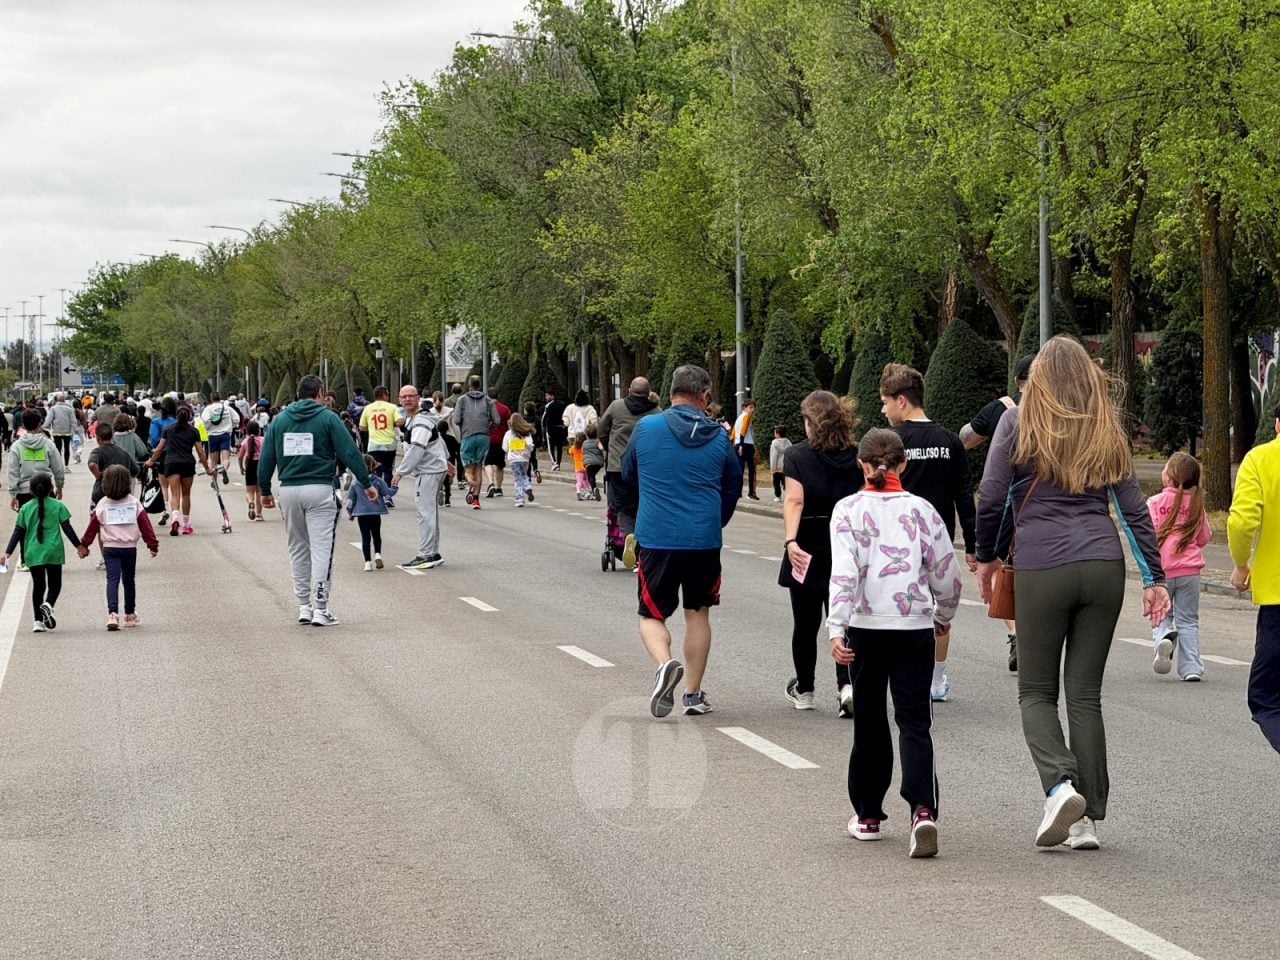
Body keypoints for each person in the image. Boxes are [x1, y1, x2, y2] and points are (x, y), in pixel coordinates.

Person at [975, 336, 1169, 850]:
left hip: (1043, 565)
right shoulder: (1105, 425)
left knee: (1036, 692)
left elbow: (992, 496)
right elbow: (1133, 510)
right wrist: (1155, 579)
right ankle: (1088, 820)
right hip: (1103, 566)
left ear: (1037, 376)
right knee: (1085, 695)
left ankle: (1060, 785)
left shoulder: (1017, 422)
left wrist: (987, 557)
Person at [828, 428, 961, 857]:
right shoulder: (922, 510)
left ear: (861, 464)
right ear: (904, 464)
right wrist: (943, 614)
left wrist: (836, 627)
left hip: (865, 625)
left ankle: (867, 813)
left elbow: (845, 572)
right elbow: (946, 571)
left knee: (868, 720)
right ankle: (923, 809)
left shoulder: (847, 510)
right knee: (915, 721)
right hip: (913, 626)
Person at [620, 364, 741, 718]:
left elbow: (628, 473)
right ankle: (693, 693)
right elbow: (732, 488)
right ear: (704, 396)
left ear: (671, 392)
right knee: (698, 612)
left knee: (651, 614)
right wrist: (714, 522)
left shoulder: (647, 428)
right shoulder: (719, 437)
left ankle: (664, 664)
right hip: (704, 539)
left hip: (657, 536)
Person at [879, 363, 976, 702]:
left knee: (900, 608)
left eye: (886, 402)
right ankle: (936, 678)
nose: (883, 409)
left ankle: (905, 674)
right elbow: (963, 495)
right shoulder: (950, 441)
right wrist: (974, 546)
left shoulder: (892, 442)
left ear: (901, 401)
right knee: (938, 609)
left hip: (896, 542)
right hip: (940, 540)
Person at [258, 375, 377, 626]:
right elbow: (349, 452)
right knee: (322, 549)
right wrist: (365, 483)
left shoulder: (279, 420)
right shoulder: (328, 418)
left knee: (297, 548)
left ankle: (303, 606)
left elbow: (267, 455)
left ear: (298, 393)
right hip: (320, 488)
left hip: (289, 490)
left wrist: (264, 489)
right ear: (320, 393)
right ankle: (321, 609)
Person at [780, 391, 862, 717]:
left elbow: (794, 500)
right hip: (846, 542)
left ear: (811, 422)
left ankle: (805, 688)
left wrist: (790, 541)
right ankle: (846, 686)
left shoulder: (797, 456)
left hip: (809, 542)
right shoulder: (856, 456)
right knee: (844, 620)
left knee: (805, 623)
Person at [961, 355, 1033, 669]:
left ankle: (1016, 633)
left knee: (998, 571)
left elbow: (965, 439)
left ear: (1017, 380)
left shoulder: (1000, 410)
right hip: (1044, 510)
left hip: (1005, 506)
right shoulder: (1067, 413)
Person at [1228, 405, 1280, 754]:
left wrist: (1241, 563)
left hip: (1277, 595)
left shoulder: (1261, 459)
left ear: (1277, 424)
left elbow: (1241, 521)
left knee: (1266, 696)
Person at [1147, 452, 1211, 680]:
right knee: (1189, 620)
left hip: (1161, 570)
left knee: (1161, 613)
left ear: (1169, 477)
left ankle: (1164, 637)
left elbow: (1148, 536)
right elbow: (1204, 537)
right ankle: (1191, 668)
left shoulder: (1154, 503)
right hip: (1190, 571)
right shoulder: (1196, 506)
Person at [77, 464, 159, 630]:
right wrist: (152, 544)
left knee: (112, 580)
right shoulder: (134, 502)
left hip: (110, 548)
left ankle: (112, 614)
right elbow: (145, 525)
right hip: (129, 547)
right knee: (129, 580)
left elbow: (93, 526)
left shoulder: (103, 503)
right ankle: (129, 614)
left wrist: (84, 544)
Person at [1, 474, 84, 633]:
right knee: (55, 583)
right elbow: (67, 528)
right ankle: (49, 604)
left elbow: (18, 532)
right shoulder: (58, 506)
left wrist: (7, 553)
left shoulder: (25, 508)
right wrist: (79, 546)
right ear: (51, 489)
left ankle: (37, 621)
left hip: (33, 551)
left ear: (31, 491)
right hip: (53, 550)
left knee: (38, 586)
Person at [598, 377, 661, 563]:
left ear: (629, 390)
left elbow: (602, 429)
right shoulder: (657, 412)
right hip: (646, 468)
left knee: (623, 507)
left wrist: (611, 448)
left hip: (618, 466)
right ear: (649, 392)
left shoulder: (616, 407)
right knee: (644, 505)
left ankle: (629, 536)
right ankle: (643, 544)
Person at [392, 385, 451, 570]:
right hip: (433, 468)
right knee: (429, 512)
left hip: (429, 471)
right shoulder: (417, 419)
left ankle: (426, 554)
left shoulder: (420, 422)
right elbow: (438, 440)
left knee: (425, 513)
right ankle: (432, 552)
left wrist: (400, 472)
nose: (407, 399)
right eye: (404, 397)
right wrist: (446, 460)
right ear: (399, 400)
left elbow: (417, 448)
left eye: (411, 396)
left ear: (418, 398)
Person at [144, 405, 215, 536]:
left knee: (174, 494)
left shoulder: (168, 429)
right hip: (187, 463)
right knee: (186, 494)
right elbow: (200, 452)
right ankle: (186, 525)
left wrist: (151, 461)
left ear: (176, 416)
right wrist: (208, 468)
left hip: (171, 463)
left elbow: (159, 448)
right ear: (189, 417)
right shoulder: (193, 431)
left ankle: (175, 518)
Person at [452, 375, 500, 508]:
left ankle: (470, 481)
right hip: (483, 436)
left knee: (468, 468)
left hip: (467, 436)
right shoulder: (487, 400)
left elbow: (456, 420)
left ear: (469, 385)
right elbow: (497, 419)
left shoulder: (461, 400)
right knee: (478, 467)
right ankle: (476, 500)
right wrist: (488, 426)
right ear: (480, 385)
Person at [8, 409, 65, 513]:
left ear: (23, 425)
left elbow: (13, 471)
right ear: (40, 423)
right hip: (47, 490)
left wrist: (12, 494)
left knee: (26, 526)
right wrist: (59, 487)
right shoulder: (48, 444)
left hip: (24, 492)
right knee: (49, 524)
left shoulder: (16, 446)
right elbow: (58, 468)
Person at [347, 454, 393, 571]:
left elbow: (350, 501)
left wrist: (350, 513)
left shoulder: (355, 483)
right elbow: (388, 492)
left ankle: (367, 562)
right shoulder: (377, 481)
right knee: (376, 534)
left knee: (365, 537)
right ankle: (378, 554)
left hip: (362, 514)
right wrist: (395, 486)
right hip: (375, 512)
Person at [358, 386, 400, 493]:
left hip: (374, 445)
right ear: (384, 395)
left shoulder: (368, 408)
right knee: (388, 470)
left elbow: (362, 427)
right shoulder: (392, 407)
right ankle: (388, 496)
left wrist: (371, 427)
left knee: (376, 470)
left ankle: (376, 492)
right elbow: (400, 421)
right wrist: (392, 424)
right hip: (390, 444)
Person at [200, 392, 241, 485]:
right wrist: (231, 426)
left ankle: (214, 480)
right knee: (226, 458)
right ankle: (224, 469)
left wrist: (209, 427)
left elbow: (205, 420)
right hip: (225, 435)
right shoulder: (227, 408)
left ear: (211, 399)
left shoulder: (208, 409)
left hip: (213, 436)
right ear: (220, 398)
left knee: (213, 461)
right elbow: (237, 419)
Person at [148, 398, 178, 525]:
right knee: (175, 489)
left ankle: (164, 509)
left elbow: (154, 439)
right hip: (176, 454)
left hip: (162, 454)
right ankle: (175, 513)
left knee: (163, 485)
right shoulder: (177, 422)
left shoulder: (156, 422)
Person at [502, 413, 537, 506]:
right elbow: (531, 445)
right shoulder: (526, 433)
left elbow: (505, 447)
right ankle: (528, 487)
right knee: (524, 474)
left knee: (517, 478)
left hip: (513, 459)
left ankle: (519, 499)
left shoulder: (508, 434)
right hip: (524, 458)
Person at [483, 386, 512, 498]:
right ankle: (498, 488)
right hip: (502, 439)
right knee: (500, 465)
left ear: (488, 396)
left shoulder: (486, 408)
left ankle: (491, 483)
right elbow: (509, 424)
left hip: (489, 438)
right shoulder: (505, 408)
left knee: (487, 462)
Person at [731, 398, 759, 499]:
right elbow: (743, 430)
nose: (752, 410)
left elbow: (734, 432)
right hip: (746, 444)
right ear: (744, 408)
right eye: (750, 407)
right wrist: (742, 444)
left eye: (753, 408)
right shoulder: (747, 417)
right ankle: (751, 492)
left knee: (740, 469)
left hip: (737, 444)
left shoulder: (738, 418)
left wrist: (734, 444)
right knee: (752, 469)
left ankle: (738, 491)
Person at [112, 413, 150, 487]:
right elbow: (142, 452)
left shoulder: (112, 438)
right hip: (129, 469)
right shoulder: (133, 436)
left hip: (113, 470)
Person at [238, 420, 265, 521]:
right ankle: (259, 514)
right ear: (259, 430)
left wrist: (241, 468)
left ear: (247, 432)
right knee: (259, 491)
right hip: (261, 465)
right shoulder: (263, 440)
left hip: (250, 465)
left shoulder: (245, 441)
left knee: (249, 491)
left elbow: (240, 457)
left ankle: (250, 502)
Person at [43, 392, 77, 467]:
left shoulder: (53, 409)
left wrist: (44, 428)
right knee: (67, 448)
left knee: (58, 449)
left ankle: (59, 465)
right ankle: (66, 465)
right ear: (64, 400)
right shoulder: (69, 409)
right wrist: (75, 431)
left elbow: (48, 420)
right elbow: (73, 421)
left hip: (56, 432)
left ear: (56, 400)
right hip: (67, 432)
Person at [541, 389, 567, 470]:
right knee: (559, 447)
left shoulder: (548, 406)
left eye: (547, 395)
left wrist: (543, 426)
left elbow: (544, 418)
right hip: (560, 428)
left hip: (551, 428)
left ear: (552, 396)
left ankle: (554, 462)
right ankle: (558, 463)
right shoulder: (561, 405)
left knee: (551, 446)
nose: (546, 397)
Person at [582, 424, 604, 500]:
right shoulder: (598, 442)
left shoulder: (584, 443)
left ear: (586, 434)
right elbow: (602, 449)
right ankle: (593, 490)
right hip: (598, 463)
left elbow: (583, 452)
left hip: (589, 463)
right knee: (593, 475)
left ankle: (594, 489)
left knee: (591, 477)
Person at [769, 425, 791, 502]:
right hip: (786, 467)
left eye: (775, 432)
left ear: (777, 434)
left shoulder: (774, 443)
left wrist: (772, 468)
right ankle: (788, 496)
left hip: (777, 468)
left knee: (776, 483)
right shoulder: (788, 442)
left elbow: (773, 456)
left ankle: (778, 496)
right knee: (786, 483)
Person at [569, 431, 590, 499]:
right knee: (586, 480)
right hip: (585, 466)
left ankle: (578, 491)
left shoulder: (573, 448)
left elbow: (570, 452)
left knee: (579, 481)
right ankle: (587, 492)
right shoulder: (585, 447)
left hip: (578, 468)